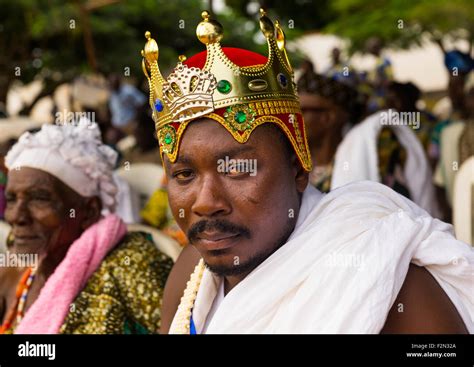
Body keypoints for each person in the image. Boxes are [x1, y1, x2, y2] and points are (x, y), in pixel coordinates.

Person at [142, 10, 473, 334]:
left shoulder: (384, 279)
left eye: (238, 168)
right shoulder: (192, 272)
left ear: (298, 168)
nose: (205, 202)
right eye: (184, 174)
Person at [0, 121, 173, 334]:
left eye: (39, 198)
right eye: (11, 199)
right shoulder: (19, 268)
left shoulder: (131, 263)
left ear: (89, 211)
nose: (17, 216)